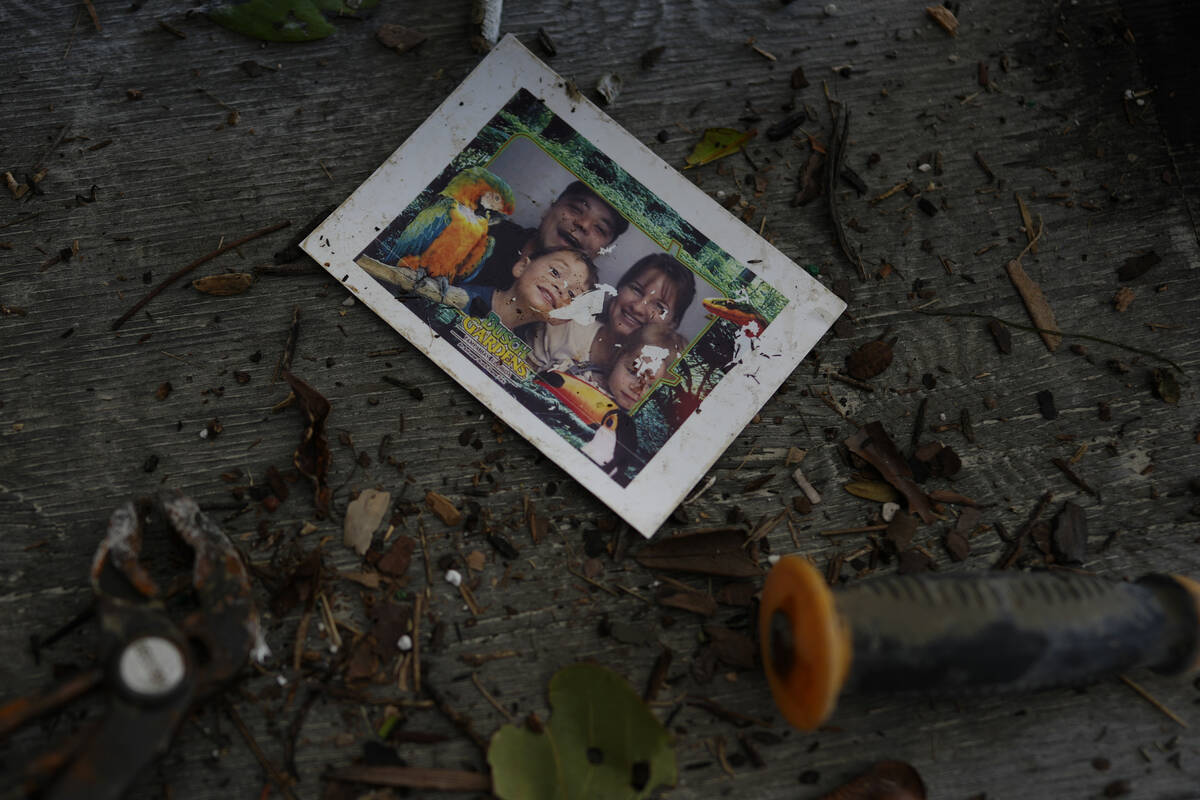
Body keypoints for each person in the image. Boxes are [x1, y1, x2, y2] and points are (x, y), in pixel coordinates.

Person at [527, 252, 696, 381]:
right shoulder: (563, 327)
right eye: (636, 290)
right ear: (618, 289)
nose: (638, 307)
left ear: (673, 324)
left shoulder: (651, 384)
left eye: (659, 306)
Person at [463, 180, 629, 291]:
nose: (583, 224)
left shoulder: (574, 307)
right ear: (549, 209)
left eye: (600, 228)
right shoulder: (483, 233)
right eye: (576, 209)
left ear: (603, 251)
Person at [460, 246, 598, 333]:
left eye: (572, 294)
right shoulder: (460, 299)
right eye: (555, 272)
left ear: (563, 319)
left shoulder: (514, 353)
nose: (560, 287)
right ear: (521, 267)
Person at [602, 322, 687, 410]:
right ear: (618, 356)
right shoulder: (590, 380)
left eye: (651, 387)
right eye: (632, 372)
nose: (637, 389)